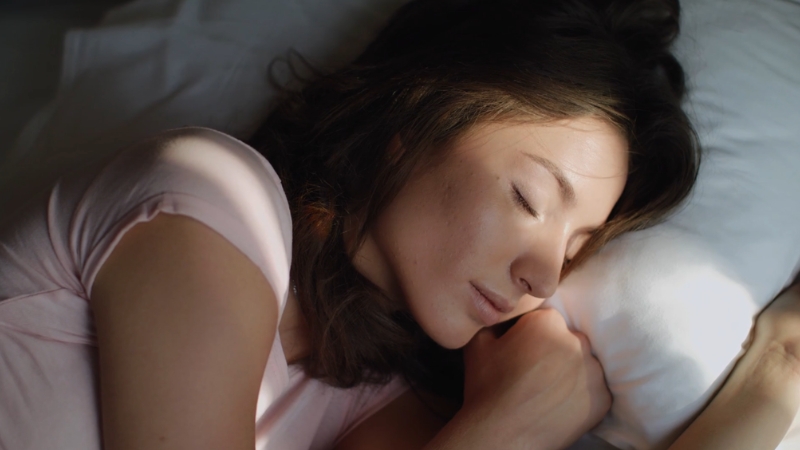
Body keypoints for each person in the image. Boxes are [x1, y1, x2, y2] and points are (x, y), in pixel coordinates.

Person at [0, 0, 797, 449]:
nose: (544, 276)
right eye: (529, 198)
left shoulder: (368, 399)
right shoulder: (207, 202)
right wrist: (505, 431)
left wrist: (768, 386)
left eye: (577, 249)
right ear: (408, 121)